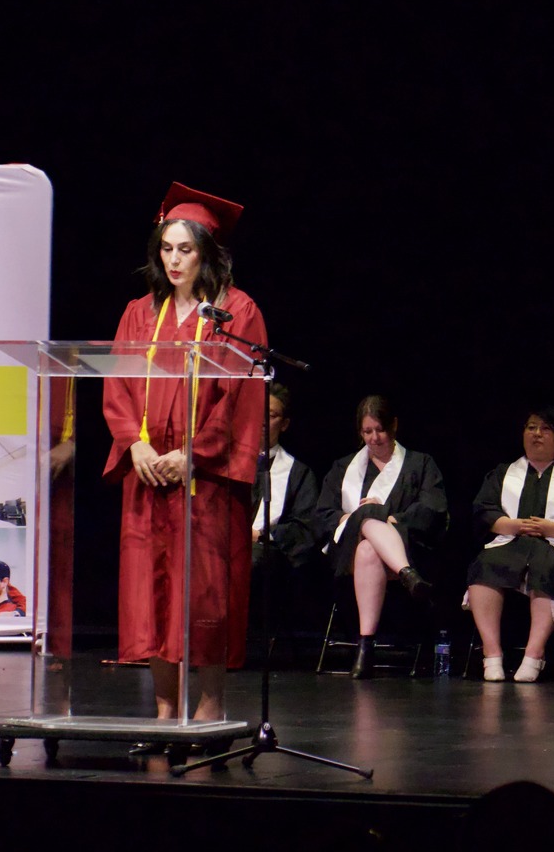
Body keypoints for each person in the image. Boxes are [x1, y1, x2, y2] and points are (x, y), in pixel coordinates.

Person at [101, 182, 266, 725]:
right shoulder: (138, 313)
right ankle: (165, 711)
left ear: (208, 253)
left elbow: (238, 396)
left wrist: (194, 454)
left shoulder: (236, 312)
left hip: (206, 481)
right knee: (150, 596)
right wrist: (137, 444)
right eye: (167, 248)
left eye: (186, 249)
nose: (174, 260)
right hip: (147, 478)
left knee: (205, 597)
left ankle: (210, 708)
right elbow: (117, 389)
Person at [465, 406, 554, 682]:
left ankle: (533, 655)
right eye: (531, 427)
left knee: (547, 567)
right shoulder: (503, 473)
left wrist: (552, 528)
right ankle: (491, 655)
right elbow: (482, 509)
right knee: (484, 565)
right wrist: (513, 525)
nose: (537, 434)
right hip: (509, 543)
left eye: (545, 428)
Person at [314, 395, 448, 678]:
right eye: (367, 432)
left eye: (380, 430)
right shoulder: (343, 468)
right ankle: (407, 574)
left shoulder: (420, 464)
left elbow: (433, 509)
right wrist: (362, 517)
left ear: (394, 426)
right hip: (346, 553)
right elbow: (323, 514)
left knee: (369, 549)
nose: (374, 438)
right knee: (366, 518)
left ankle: (365, 646)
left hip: (406, 544)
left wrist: (388, 518)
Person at [250, 383, 323, 644]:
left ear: (285, 424)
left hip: (270, 554)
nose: (262, 421)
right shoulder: (230, 463)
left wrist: (261, 535)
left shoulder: (298, 473)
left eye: (271, 415)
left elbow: (306, 527)